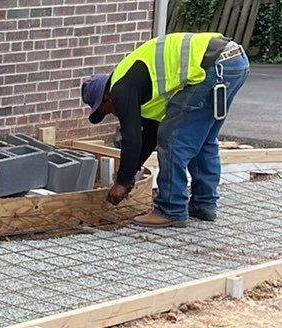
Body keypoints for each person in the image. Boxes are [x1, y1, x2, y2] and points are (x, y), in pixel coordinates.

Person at [81, 30, 249, 230]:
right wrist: (132, 173)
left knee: (172, 139)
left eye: (106, 110)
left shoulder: (121, 88)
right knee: (203, 139)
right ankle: (204, 204)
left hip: (212, 66)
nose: (113, 114)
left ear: (107, 96)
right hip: (233, 61)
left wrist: (122, 182)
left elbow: (132, 138)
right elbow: (148, 136)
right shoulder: (139, 87)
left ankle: (171, 209)